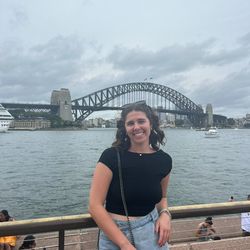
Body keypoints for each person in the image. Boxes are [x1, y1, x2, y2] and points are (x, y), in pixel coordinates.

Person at [89, 101, 172, 250]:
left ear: (151, 124)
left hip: (151, 232)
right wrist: (124, 244)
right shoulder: (111, 156)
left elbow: (163, 198)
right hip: (114, 235)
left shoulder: (164, 160)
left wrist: (165, 215)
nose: (136, 127)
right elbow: (95, 206)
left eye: (141, 121)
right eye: (130, 123)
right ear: (125, 128)